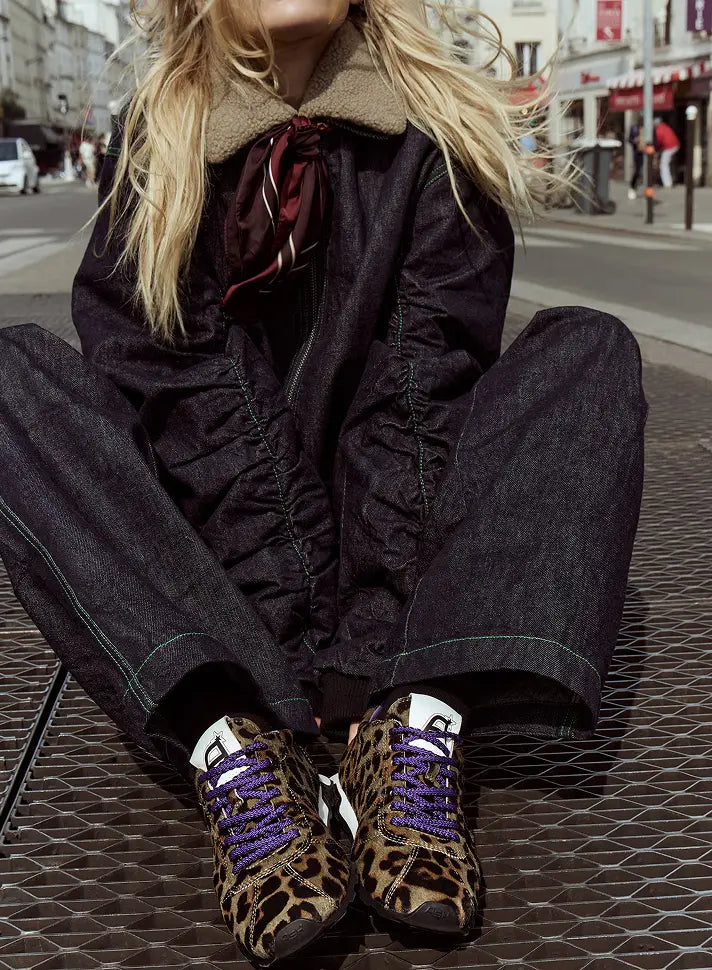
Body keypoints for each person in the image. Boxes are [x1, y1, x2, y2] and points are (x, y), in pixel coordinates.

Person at [0, 0, 648, 965]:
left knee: (591, 352)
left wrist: (365, 661)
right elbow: (178, 401)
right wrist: (282, 655)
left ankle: (416, 721)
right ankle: (233, 741)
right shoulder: (156, 146)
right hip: (216, 588)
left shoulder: (436, 131)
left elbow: (417, 403)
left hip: (410, 568)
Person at [654, 116, 680, 188]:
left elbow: (659, 142)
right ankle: (669, 181)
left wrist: (656, 151)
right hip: (674, 145)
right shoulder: (665, 127)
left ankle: (667, 183)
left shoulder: (659, 130)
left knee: (663, 164)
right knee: (667, 163)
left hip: (669, 147)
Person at [627, 120, 644, 200]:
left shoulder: (648, 128)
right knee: (637, 170)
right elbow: (629, 139)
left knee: (646, 171)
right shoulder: (634, 128)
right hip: (638, 153)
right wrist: (635, 141)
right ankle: (633, 187)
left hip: (647, 152)